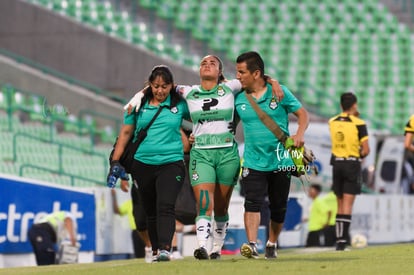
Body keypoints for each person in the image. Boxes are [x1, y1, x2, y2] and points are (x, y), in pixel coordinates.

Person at [124, 55, 283, 260]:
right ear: (199, 71)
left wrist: (273, 81)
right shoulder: (188, 91)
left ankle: (217, 246)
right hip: (201, 153)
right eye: (203, 63)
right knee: (204, 203)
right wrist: (139, 94)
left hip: (227, 153)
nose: (207, 65)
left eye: (212, 63)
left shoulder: (231, 87)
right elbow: (163, 84)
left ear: (219, 72)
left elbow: (254, 78)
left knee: (221, 205)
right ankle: (203, 247)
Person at [107, 65, 190, 261]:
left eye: (165, 86)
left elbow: (202, 110)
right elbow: (125, 134)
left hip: (171, 162)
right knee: (150, 210)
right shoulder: (136, 105)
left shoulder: (180, 104)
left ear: (171, 85)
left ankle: (165, 249)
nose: (160, 91)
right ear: (150, 85)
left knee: (166, 206)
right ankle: (154, 250)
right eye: (156, 86)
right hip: (142, 164)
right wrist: (115, 161)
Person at [234, 51, 309, 260]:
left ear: (256, 73)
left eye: (241, 72)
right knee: (252, 202)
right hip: (252, 160)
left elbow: (303, 114)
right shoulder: (238, 97)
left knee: (278, 209)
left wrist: (299, 134)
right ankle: (251, 244)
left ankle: (272, 242)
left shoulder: (279, 92)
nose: (238, 76)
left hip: (281, 160)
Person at [328, 92, 370, 251]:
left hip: (336, 164)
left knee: (339, 204)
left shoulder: (331, 121)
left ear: (340, 105)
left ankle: (339, 241)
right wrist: (360, 153)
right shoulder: (359, 123)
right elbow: (366, 150)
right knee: (347, 205)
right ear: (354, 105)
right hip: (351, 164)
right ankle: (342, 242)